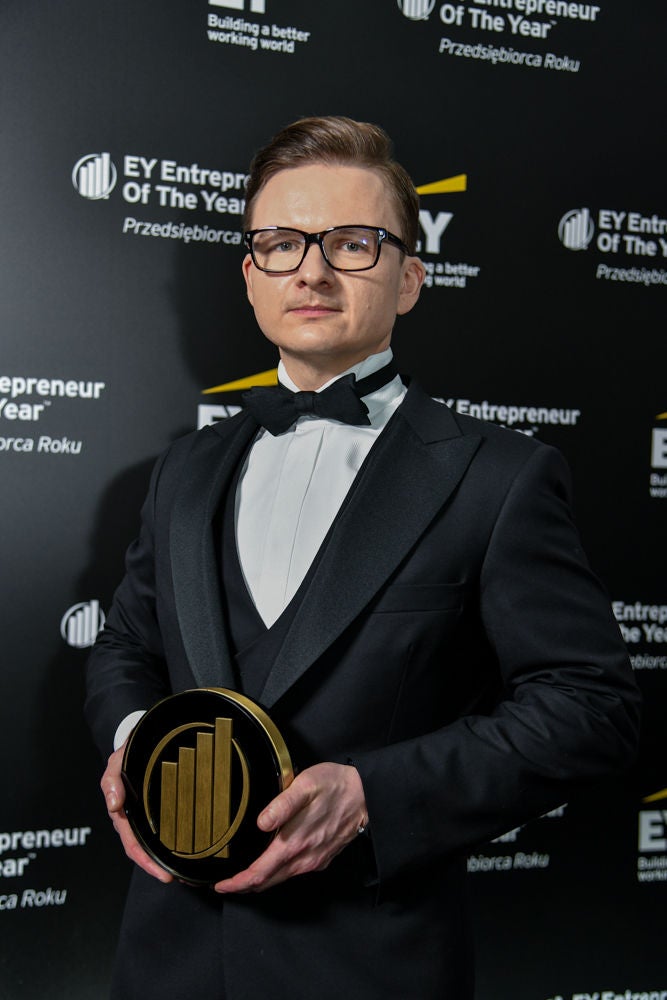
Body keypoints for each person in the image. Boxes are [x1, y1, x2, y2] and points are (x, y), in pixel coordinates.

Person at [85, 115, 640, 1000]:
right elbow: (125, 646)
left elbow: (589, 706)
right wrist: (135, 742)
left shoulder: (499, 477)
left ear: (409, 278)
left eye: (351, 243)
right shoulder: (183, 469)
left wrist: (372, 796)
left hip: (371, 964)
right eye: (280, 244)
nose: (310, 271)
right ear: (251, 275)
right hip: (165, 956)